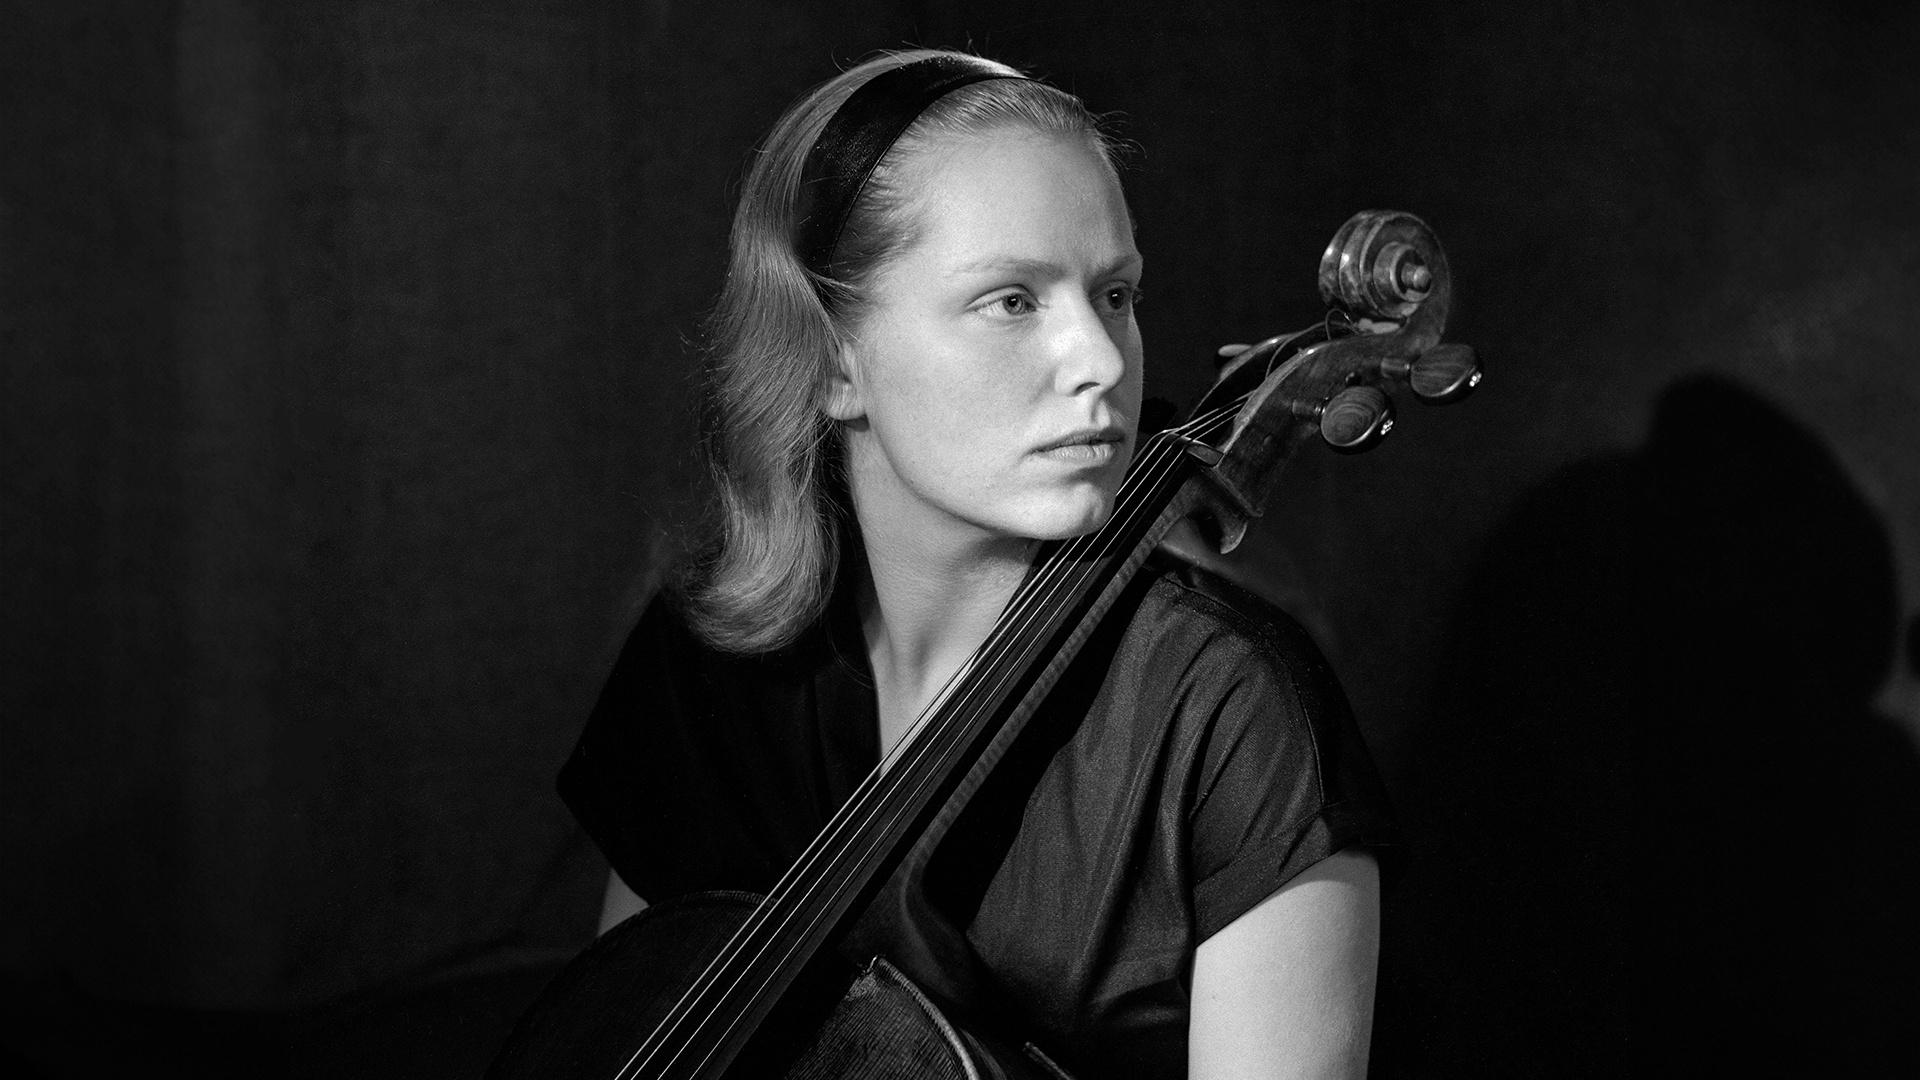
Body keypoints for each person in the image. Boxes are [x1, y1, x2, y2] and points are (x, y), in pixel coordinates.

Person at [558, 49, 1391, 1078]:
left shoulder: (1229, 713)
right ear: (829, 363)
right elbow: (617, 1028)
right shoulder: (711, 667)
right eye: (1011, 301)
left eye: (1117, 294)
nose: (1100, 360)